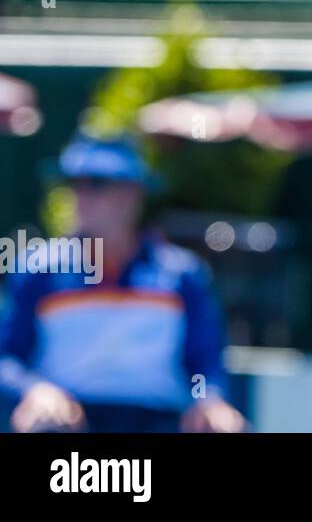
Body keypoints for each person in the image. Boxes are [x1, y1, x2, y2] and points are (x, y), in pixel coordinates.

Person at [0, 132, 246, 433]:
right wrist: (35, 389)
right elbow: (7, 358)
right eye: (75, 184)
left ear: (133, 194)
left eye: (97, 184)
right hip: (67, 419)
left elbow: (203, 361)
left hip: (159, 419)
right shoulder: (38, 269)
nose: (82, 196)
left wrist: (207, 400)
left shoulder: (182, 274)